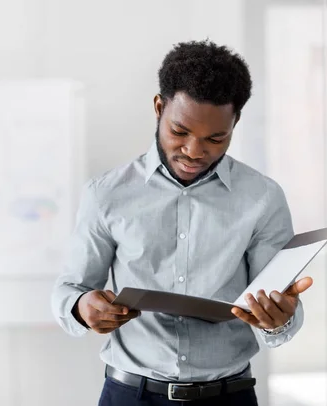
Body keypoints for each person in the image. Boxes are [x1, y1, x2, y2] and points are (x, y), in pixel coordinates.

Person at [51, 39, 313, 405]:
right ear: (159, 108)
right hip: (130, 394)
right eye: (179, 132)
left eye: (215, 138)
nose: (193, 151)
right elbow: (69, 288)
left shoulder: (263, 198)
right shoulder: (106, 193)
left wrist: (278, 319)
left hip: (229, 395)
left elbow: (279, 307)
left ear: (235, 122)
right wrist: (82, 308)